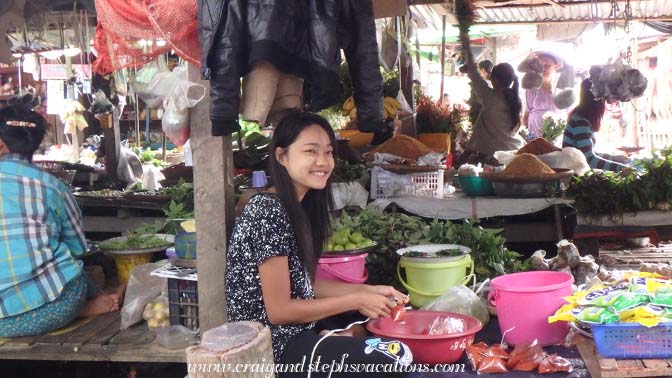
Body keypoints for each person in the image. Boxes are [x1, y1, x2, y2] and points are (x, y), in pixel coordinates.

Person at [226, 111, 412, 377]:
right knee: (397, 357)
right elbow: (279, 311)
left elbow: (304, 284)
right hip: (270, 347)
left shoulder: (295, 209)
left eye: (328, 153)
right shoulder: (267, 211)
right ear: (281, 156)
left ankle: (336, 336)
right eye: (311, 151)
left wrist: (367, 291)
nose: (322, 162)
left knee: (378, 321)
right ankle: (333, 339)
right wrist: (355, 299)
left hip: (297, 332)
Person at [0, 105, 123, 338]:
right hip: (55, 309)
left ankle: (87, 304)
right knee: (69, 269)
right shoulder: (52, 186)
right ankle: (87, 306)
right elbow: (78, 248)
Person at [458, 28, 523, 165]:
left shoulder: (490, 97)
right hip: (513, 153)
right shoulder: (516, 101)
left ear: (494, 80)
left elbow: (475, 76)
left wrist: (465, 41)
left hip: (495, 157)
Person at [563, 79, 629, 173]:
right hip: (574, 175)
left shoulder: (582, 118)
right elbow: (590, 160)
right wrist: (620, 168)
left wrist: (614, 158)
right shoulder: (580, 122)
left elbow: (588, 153)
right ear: (597, 100)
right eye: (604, 98)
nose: (605, 102)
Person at [522, 53, 561, 140]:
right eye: (540, 66)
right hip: (534, 137)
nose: (544, 69)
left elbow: (569, 114)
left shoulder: (560, 89)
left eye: (548, 65)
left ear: (556, 66)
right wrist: (529, 139)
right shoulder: (531, 88)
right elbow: (525, 118)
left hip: (555, 138)